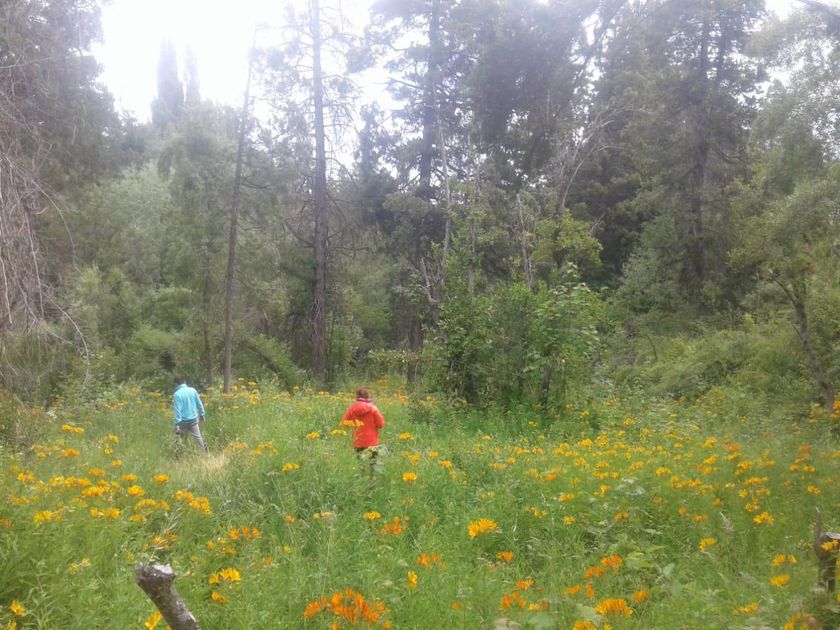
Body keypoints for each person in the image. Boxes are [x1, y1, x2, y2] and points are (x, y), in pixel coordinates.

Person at [342, 387, 385, 464]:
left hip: (357, 441)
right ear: (368, 396)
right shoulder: (373, 408)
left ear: (357, 396)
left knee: (360, 464)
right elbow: (381, 424)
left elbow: (344, 422)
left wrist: (352, 425)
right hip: (372, 442)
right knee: (373, 464)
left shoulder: (352, 408)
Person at [172, 376, 208, 453]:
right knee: (198, 437)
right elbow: (199, 403)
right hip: (193, 420)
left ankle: (178, 455)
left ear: (175, 384)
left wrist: (177, 424)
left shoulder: (177, 394)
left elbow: (177, 410)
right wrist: (202, 414)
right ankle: (205, 453)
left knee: (179, 438)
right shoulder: (193, 390)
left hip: (182, 422)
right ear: (185, 382)